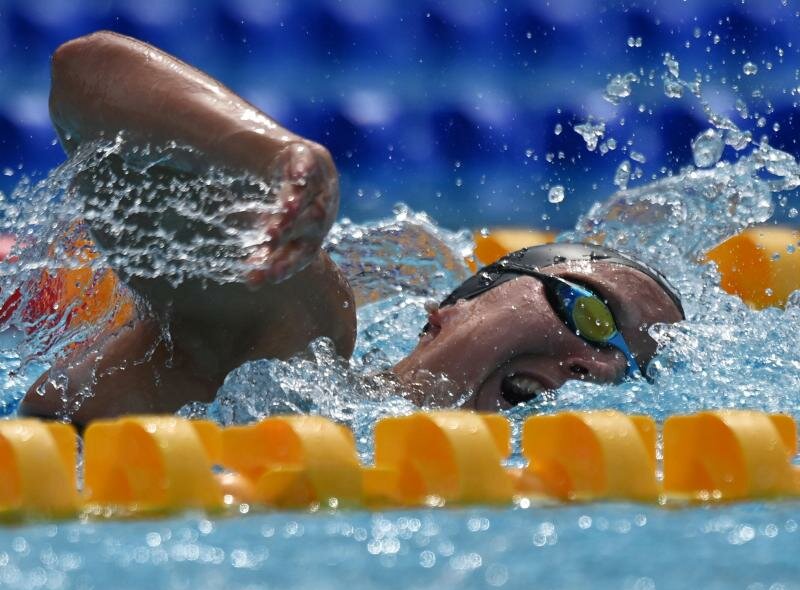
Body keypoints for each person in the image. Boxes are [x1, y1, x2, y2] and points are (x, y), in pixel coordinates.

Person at [18, 31, 684, 424]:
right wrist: (276, 156)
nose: (599, 364)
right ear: (449, 310)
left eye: (630, 367)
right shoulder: (288, 350)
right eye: (592, 314)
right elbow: (88, 71)